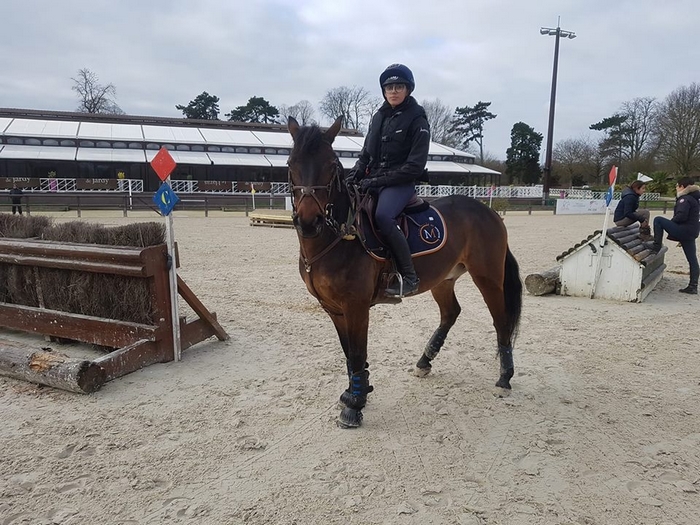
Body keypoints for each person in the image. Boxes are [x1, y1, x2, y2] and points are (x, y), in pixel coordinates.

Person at [348, 63, 431, 297]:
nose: (393, 91)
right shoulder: (378, 118)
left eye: (399, 86)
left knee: (383, 216)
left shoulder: (418, 120)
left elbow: (414, 166)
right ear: (384, 91)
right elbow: (365, 155)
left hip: (400, 182)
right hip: (373, 179)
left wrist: (375, 181)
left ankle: (409, 276)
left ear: (408, 89)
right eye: (389, 87)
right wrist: (354, 175)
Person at [646, 177, 700, 294]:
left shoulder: (684, 199)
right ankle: (693, 285)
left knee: (658, 220)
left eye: (677, 186)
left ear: (682, 187)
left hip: (684, 230)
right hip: (692, 232)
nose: (676, 188)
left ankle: (656, 246)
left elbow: (681, 216)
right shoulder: (695, 199)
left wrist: (671, 224)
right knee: (692, 259)